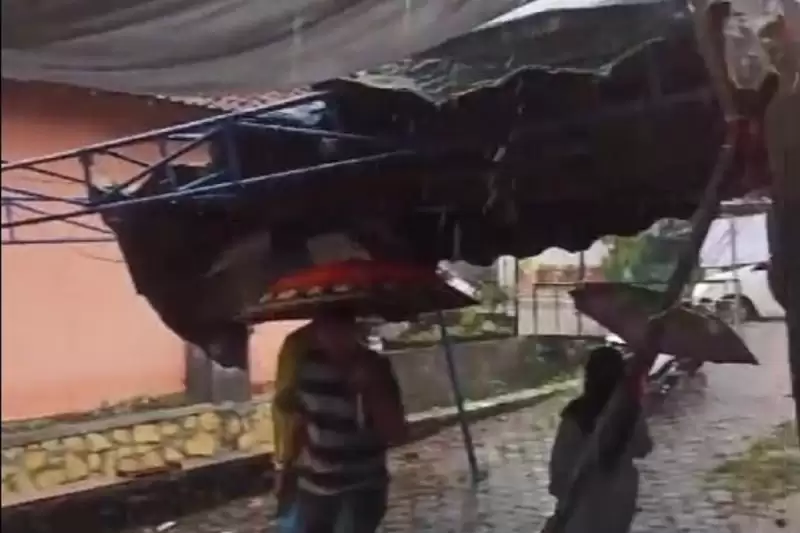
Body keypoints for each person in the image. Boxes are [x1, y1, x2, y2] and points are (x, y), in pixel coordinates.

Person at [273, 307, 408, 533]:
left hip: (361, 488)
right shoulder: (307, 366)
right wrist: (286, 471)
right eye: (324, 329)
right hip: (314, 489)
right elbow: (300, 424)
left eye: (339, 328)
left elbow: (397, 433)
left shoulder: (376, 367)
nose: (332, 337)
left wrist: (372, 389)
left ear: (352, 329)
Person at [548, 346, 653, 533]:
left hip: (581, 503)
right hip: (618, 500)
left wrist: (562, 494)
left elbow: (559, 466)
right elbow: (643, 447)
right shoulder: (629, 412)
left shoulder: (575, 414)